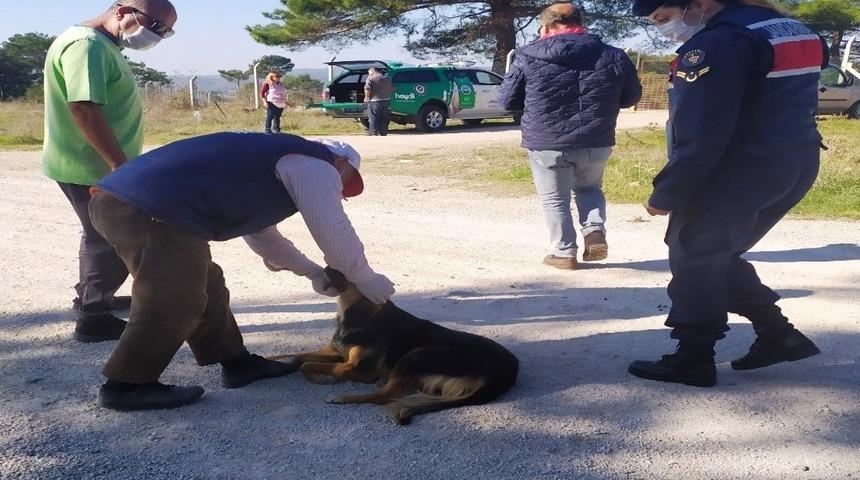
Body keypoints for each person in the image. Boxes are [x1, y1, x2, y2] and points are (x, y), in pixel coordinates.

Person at [88, 132, 395, 411]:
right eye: (344, 180)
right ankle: (126, 385)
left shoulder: (270, 165)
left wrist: (313, 272)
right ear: (339, 161)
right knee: (175, 296)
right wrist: (364, 276)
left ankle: (237, 363)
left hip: (131, 203)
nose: (339, 189)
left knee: (207, 282)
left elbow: (265, 239)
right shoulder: (314, 163)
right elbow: (331, 227)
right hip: (144, 207)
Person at [628, 0, 827, 387]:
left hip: (737, 169)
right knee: (716, 253)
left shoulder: (719, 44)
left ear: (700, 4)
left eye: (664, 18)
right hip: (794, 161)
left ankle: (693, 358)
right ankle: (777, 334)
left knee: (694, 255)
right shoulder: (790, 28)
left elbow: (703, 133)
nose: (665, 29)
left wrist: (666, 192)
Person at [41, 0, 177, 343]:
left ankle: (90, 296)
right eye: (155, 25)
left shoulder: (103, 44)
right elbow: (84, 109)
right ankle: (94, 318)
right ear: (121, 11)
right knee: (111, 237)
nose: (157, 36)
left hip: (94, 162)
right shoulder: (86, 47)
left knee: (98, 233)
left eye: (165, 31)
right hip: (92, 164)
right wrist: (118, 163)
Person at [498, 3, 642, 270]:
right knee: (589, 188)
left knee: (555, 199)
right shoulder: (613, 55)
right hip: (596, 138)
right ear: (580, 22)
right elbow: (632, 97)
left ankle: (564, 253)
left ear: (547, 25)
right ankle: (594, 231)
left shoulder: (528, 56)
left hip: (547, 141)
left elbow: (507, 101)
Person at [364, 67, 392, 136]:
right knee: (385, 118)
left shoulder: (371, 78)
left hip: (375, 101)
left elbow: (367, 88)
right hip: (387, 101)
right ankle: (383, 133)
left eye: (369, 73)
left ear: (372, 71)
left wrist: (366, 97)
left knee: (373, 117)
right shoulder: (387, 77)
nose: (369, 74)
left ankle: (373, 132)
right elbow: (392, 88)